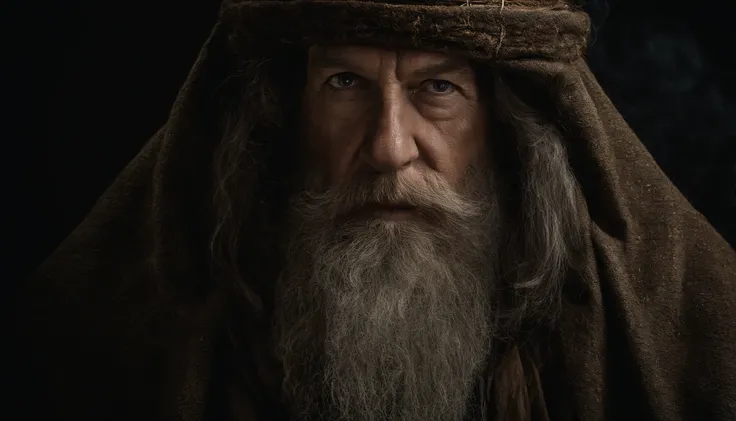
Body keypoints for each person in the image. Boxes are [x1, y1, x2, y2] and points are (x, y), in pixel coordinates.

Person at [12, 0, 736, 420]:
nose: (389, 148)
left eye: (438, 89)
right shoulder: (120, 331)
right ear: (285, 119)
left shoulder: (641, 334)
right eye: (344, 83)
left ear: (508, 131)